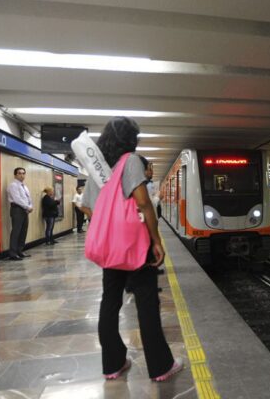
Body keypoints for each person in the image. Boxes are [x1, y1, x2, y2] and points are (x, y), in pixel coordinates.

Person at [80, 116, 183, 382]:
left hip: (110, 248)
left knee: (110, 301)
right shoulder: (131, 161)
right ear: (129, 140)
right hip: (135, 245)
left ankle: (112, 364)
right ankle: (161, 367)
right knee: (147, 303)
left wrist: (109, 224)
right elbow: (143, 203)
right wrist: (156, 240)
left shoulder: (97, 168)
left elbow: (87, 206)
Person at [7, 167, 33, 260]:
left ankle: (20, 250)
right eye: (19, 173)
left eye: (23, 173)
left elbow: (29, 198)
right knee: (16, 231)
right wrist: (27, 207)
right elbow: (17, 199)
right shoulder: (13, 185)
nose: (22, 175)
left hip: (25, 210)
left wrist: (30, 206)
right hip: (17, 209)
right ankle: (13, 253)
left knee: (23, 231)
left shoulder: (24, 186)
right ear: (15, 175)